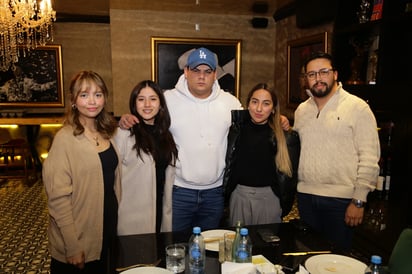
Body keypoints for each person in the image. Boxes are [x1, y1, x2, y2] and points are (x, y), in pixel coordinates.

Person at [120, 47, 290, 232]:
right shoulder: (168, 100)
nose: (201, 76)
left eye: (207, 71)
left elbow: (257, 116)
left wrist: (279, 119)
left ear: (215, 74)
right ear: (186, 72)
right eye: (196, 70)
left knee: (210, 249)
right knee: (176, 246)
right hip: (178, 192)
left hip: (214, 194)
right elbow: (148, 112)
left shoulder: (230, 103)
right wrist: (127, 118)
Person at [294, 51, 380, 250]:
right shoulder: (301, 111)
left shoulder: (357, 108)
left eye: (323, 72)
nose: (318, 78)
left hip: (341, 202)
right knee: (308, 256)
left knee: (337, 262)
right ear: (306, 79)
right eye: (312, 74)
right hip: (306, 198)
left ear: (335, 74)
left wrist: (359, 200)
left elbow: (369, 157)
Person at [42, 71, 121, 274]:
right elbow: (58, 200)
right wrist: (72, 245)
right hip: (79, 239)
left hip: (106, 231)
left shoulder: (105, 132)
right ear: (74, 100)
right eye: (84, 95)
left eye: (98, 94)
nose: (92, 101)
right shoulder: (65, 139)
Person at [223, 83, 300, 226]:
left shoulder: (284, 137)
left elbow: (291, 178)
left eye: (266, 104)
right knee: (238, 245)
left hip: (269, 199)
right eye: (254, 102)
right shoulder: (236, 130)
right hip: (239, 197)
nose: (259, 109)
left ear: (273, 109)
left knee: (267, 246)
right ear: (248, 104)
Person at [114, 80, 177, 235]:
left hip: (161, 211)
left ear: (161, 104)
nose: (147, 104)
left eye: (153, 99)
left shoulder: (166, 135)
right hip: (132, 215)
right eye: (141, 99)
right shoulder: (124, 133)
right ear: (134, 104)